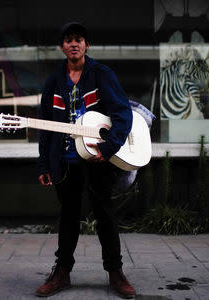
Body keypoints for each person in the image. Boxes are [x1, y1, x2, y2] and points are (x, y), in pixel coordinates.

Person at [35, 22, 136, 299]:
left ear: (86, 45)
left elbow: (123, 113)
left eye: (78, 39)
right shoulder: (53, 82)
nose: (73, 44)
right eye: (68, 40)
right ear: (62, 47)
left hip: (98, 160)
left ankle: (115, 273)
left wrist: (110, 145)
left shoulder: (101, 74)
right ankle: (62, 273)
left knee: (105, 216)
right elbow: (45, 127)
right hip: (65, 162)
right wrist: (45, 164)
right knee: (68, 217)